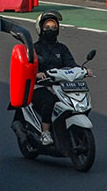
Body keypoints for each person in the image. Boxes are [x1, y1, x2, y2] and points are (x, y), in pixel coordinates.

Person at [32, 11, 82, 146]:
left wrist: (82, 70)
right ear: (41, 28)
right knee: (49, 100)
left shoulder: (62, 48)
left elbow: (71, 64)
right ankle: (45, 132)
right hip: (40, 87)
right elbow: (29, 66)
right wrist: (36, 74)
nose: (51, 30)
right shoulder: (35, 48)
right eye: (47, 27)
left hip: (60, 86)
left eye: (53, 27)